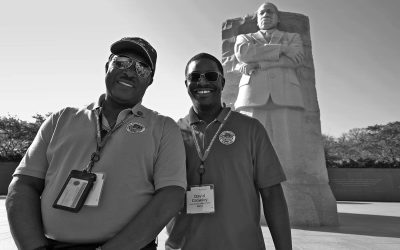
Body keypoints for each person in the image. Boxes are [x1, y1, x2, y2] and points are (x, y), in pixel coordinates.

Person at [6, 37, 187, 250]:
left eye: (141, 68)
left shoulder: (164, 127)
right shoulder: (61, 119)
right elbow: (23, 185)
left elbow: (171, 196)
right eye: (121, 62)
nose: (129, 72)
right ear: (106, 67)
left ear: (150, 80)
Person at [166, 53, 292, 250]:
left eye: (210, 76)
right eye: (194, 76)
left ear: (222, 82)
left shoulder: (251, 128)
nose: (202, 81)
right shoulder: (171, 132)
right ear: (186, 83)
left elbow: (272, 196)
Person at [234, 2, 306, 181]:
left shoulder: (292, 37)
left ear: (278, 17)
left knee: (287, 143)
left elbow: (295, 61)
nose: (266, 14)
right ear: (257, 19)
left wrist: (259, 64)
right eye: (262, 12)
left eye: (270, 11)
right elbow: (244, 54)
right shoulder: (245, 38)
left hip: (286, 94)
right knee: (250, 143)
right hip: (252, 95)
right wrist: (282, 49)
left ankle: (291, 181)